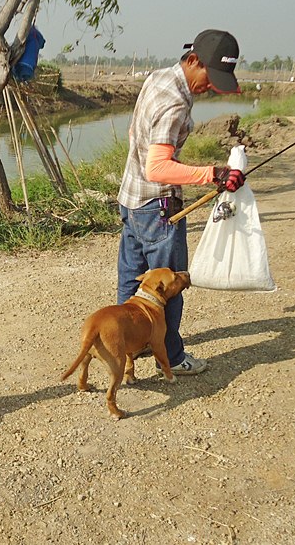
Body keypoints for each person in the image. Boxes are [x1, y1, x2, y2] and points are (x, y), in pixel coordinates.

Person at [117, 29, 246, 375]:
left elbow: (134, 135)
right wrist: (213, 174)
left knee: (132, 282)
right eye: (210, 77)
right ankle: (170, 357)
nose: (211, 87)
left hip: (131, 199)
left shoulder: (159, 79)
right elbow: (158, 166)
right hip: (158, 209)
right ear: (192, 61)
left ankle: (126, 343)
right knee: (170, 285)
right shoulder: (174, 102)